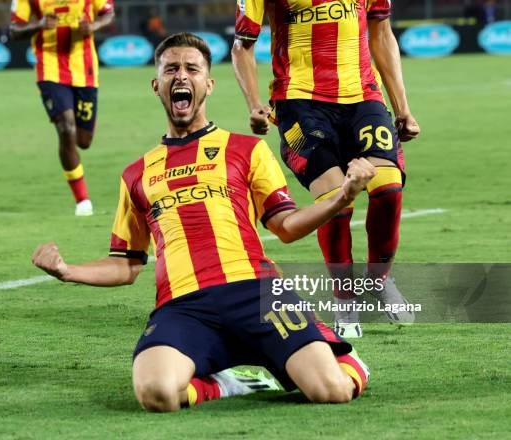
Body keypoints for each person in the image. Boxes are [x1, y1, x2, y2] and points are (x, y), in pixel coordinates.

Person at [33, 33, 375, 412]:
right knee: (156, 393)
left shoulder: (246, 149)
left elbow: (286, 226)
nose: (181, 76)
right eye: (171, 69)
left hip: (256, 293)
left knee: (331, 390)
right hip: (183, 306)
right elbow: (126, 264)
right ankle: (225, 384)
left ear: (208, 84)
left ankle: (345, 360)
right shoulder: (136, 174)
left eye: (192, 69)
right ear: (157, 85)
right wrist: (68, 270)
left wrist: (341, 195)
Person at [232, 0, 421, 338]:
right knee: (336, 200)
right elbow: (242, 47)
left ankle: (378, 279)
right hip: (299, 103)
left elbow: (381, 33)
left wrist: (402, 107)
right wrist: (255, 105)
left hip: (363, 97)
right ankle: (344, 300)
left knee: (389, 188)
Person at [10, 0, 115, 216]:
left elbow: (109, 14)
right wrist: (38, 24)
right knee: (66, 128)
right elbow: (14, 29)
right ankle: (82, 200)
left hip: (84, 70)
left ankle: (71, 152)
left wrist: (93, 26)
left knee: (83, 140)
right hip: (49, 69)